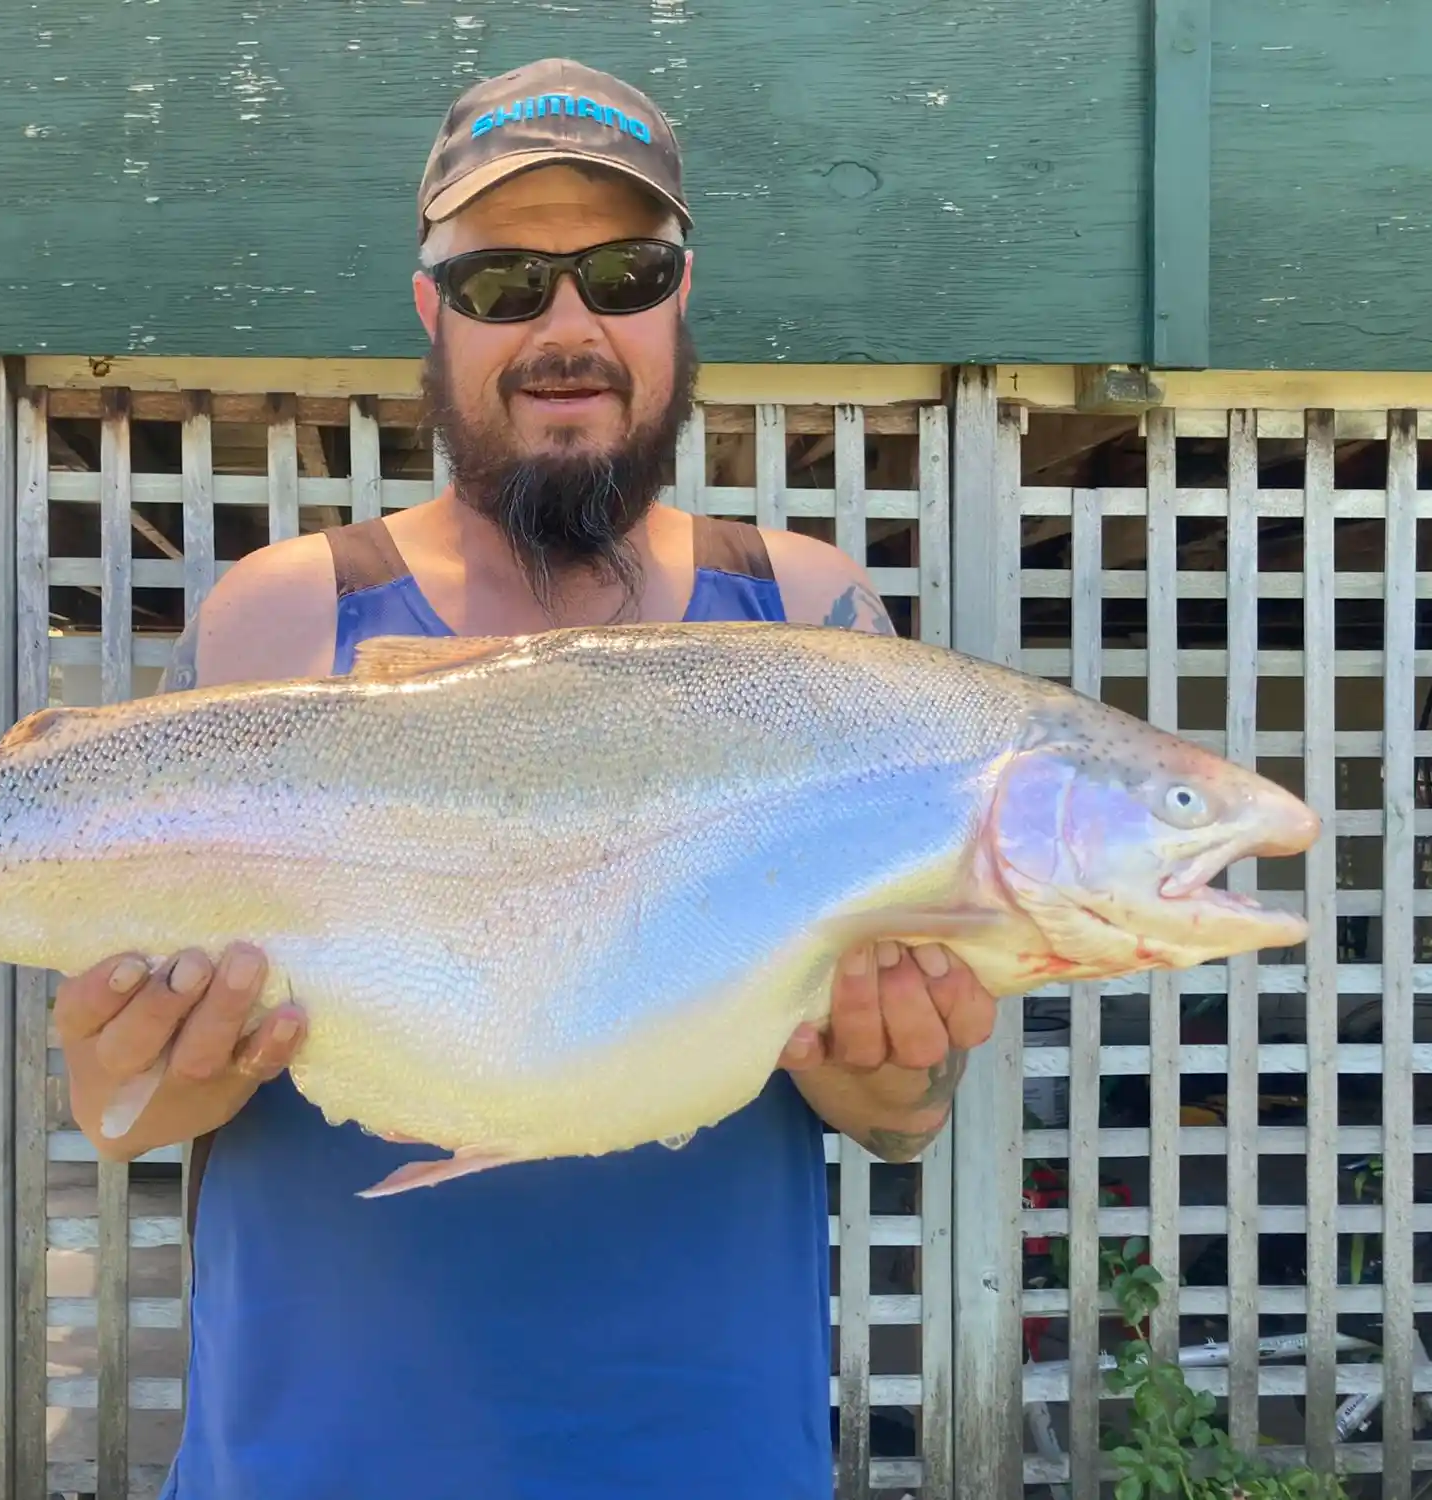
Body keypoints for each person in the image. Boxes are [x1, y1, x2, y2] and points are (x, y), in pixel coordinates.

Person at [53, 57, 997, 1500]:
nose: (568, 328)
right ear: (433, 311)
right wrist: (128, 1076)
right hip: (318, 1464)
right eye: (504, 283)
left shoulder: (808, 616)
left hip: (711, 1465)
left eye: (622, 272)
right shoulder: (289, 609)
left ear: (680, 300)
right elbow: (135, 1112)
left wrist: (904, 1074)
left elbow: (892, 1118)